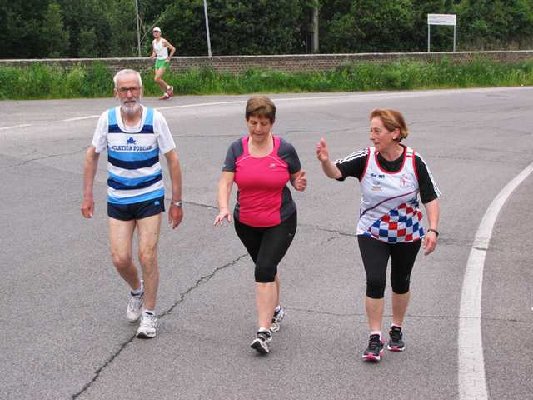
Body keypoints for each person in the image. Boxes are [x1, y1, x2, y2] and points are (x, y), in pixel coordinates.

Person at [316, 108, 440, 362]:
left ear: (395, 133)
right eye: (370, 130)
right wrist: (325, 162)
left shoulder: (414, 161)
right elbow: (336, 172)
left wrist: (432, 228)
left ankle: (396, 328)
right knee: (375, 280)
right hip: (372, 231)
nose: (372, 136)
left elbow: (430, 198)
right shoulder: (366, 157)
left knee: (400, 282)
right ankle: (375, 337)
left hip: (407, 233)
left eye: (377, 131)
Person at [81, 69, 183, 339]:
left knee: (147, 255)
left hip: (150, 195)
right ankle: (137, 290)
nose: (129, 94)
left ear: (141, 90)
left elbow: (172, 159)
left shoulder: (155, 119)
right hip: (118, 197)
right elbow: (92, 156)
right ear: (115, 93)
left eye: (133, 89)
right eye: (124, 90)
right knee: (120, 258)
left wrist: (177, 202)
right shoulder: (107, 119)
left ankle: (149, 314)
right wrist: (88, 195)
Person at [214, 96, 307, 354]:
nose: (258, 129)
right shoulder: (237, 149)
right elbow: (225, 181)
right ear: (247, 121)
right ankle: (275, 309)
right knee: (266, 266)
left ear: (272, 123)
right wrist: (223, 207)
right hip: (246, 222)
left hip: (280, 220)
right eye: (253, 122)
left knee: (264, 269)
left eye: (264, 123)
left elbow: (295, 178)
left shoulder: (284, 149)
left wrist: (298, 183)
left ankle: (263, 332)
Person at [151, 26, 176, 100]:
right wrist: (153, 55)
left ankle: (169, 87)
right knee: (158, 80)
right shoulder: (153, 42)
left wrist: (169, 58)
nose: (155, 33)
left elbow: (173, 49)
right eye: (154, 32)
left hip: (164, 61)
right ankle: (166, 94)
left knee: (156, 78)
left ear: (160, 33)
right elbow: (154, 51)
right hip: (158, 61)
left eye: (157, 32)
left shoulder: (163, 41)